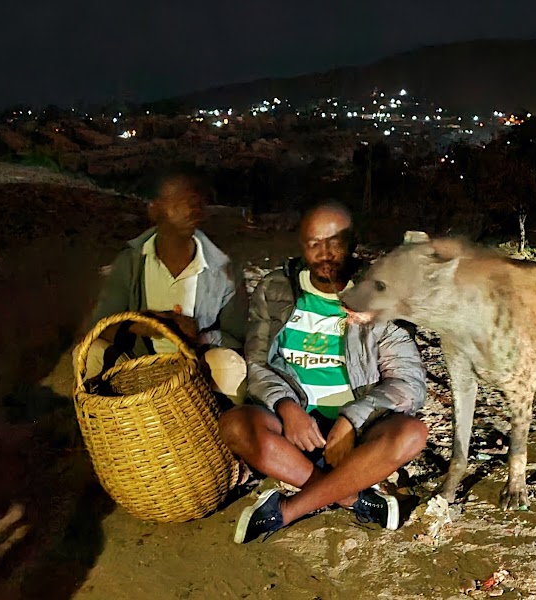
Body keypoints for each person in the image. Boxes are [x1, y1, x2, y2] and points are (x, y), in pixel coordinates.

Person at [219, 202, 427, 543]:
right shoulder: (276, 290)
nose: (325, 253)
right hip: (295, 427)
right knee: (235, 425)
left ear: (353, 242)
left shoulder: (381, 295)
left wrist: (351, 421)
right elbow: (257, 362)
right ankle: (354, 498)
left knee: (413, 433)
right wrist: (287, 407)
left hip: (360, 429)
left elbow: (408, 381)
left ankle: (287, 510)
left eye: (335, 242)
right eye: (314, 243)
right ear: (302, 246)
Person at [74, 174, 248, 401]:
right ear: (154, 210)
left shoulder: (222, 269)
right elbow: (99, 326)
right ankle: (107, 429)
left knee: (230, 365)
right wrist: (141, 324)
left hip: (197, 367)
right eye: (178, 202)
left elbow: (239, 337)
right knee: (88, 353)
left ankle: (217, 431)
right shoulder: (132, 262)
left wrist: (201, 337)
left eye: (194, 201)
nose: (190, 208)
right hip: (140, 367)